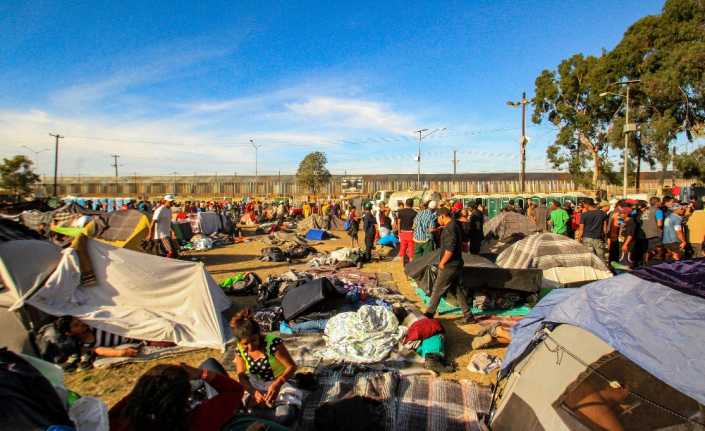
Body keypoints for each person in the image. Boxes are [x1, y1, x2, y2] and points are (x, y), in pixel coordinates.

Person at [108, 360, 280, 431]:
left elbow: (131, 399)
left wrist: (153, 383)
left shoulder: (116, 420)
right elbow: (234, 391)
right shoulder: (195, 420)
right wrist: (200, 373)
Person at [230, 309, 301, 425]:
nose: (251, 347)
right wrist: (253, 392)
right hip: (257, 385)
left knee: (285, 416)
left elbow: (291, 367)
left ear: (259, 334)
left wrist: (277, 384)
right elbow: (241, 376)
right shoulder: (240, 349)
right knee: (244, 407)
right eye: (245, 344)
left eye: (254, 340)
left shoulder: (272, 343)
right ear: (239, 342)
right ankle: (267, 418)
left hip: (281, 382)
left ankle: (261, 418)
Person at [424, 208, 476, 324]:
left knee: (437, 289)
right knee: (456, 289)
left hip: (449, 265)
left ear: (442, 216)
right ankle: (468, 315)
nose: (437, 220)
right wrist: (441, 229)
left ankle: (428, 314)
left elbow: (450, 249)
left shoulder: (450, 229)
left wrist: (442, 262)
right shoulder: (454, 225)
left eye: (438, 218)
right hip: (457, 263)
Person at [620, 203, 647, 268]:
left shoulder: (631, 222)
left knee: (627, 263)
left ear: (626, 214)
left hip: (628, 245)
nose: (620, 214)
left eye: (622, 213)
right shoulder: (623, 221)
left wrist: (625, 244)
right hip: (622, 243)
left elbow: (630, 235)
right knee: (622, 262)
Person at [641, 197, 664, 263]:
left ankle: (645, 264)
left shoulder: (645, 211)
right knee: (658, 252)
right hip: (655, 234)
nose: (660, 203)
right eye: (660, 202)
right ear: (657, 203)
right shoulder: (658, 211)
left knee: (647, 251)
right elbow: (659, 224)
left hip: (645, 234)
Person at [396, 198, 417, 265]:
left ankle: (404, 263)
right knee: (411, 248)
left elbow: (398, 223)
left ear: (405, 204)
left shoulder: (400, 212)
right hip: (411, 233)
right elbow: (415, 224)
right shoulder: (415, 213)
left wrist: (399, 232)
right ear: (412, 204)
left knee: (403, 247)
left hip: (403, 232)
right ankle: (411, 265)